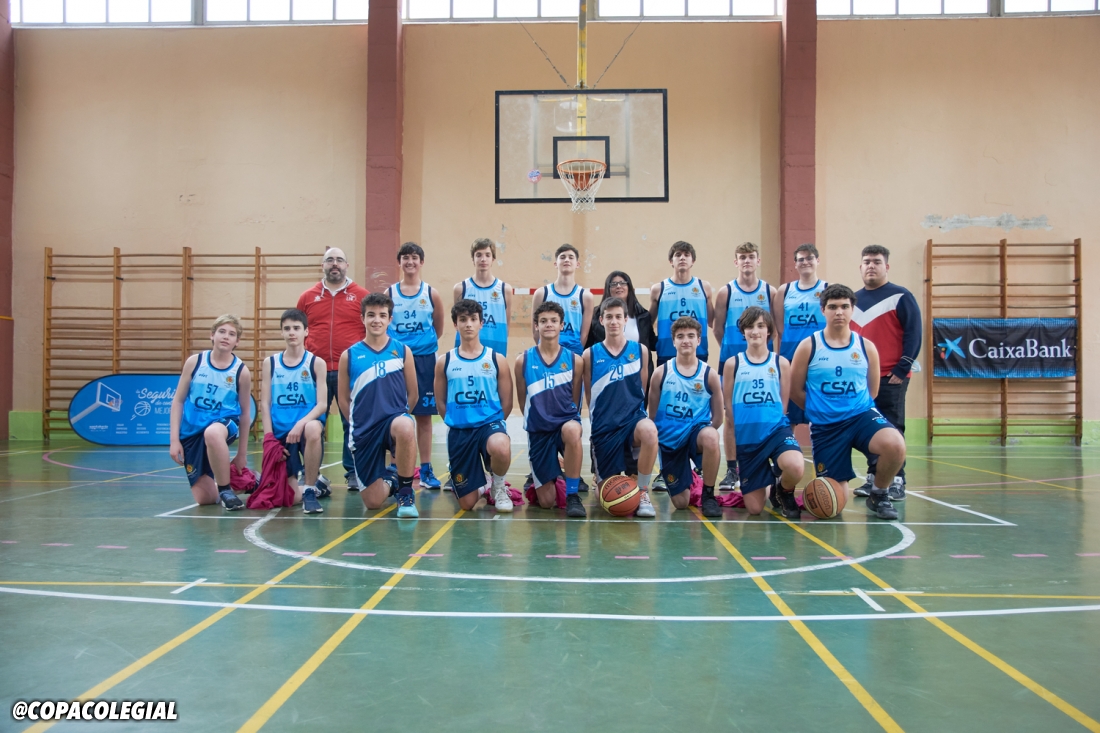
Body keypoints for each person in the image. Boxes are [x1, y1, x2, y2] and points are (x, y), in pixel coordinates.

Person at [789, 283, 907, 521]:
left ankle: (879, 493)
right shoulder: (809, 346)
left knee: (895, 444)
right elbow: (794, 390)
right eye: (833, 307)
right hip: (827, 427)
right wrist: (817, 412)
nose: (839, 312)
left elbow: (872, 390)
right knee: (834, 504)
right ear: (823, 310)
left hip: (860, 417)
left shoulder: (866, 347)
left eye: (844, 306)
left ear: (852, 309)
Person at [338, 293, 420, 518]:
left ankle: (406, 493)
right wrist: (356, 422)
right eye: (371, 315)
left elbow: (413, 394)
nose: (377, 320)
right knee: (373, 502)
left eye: (382, 315)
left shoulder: (402, 351)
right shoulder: (349, 355)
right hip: (365, 429)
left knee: (405, 426)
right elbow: (343, 399)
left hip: (392, 421)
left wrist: (401, 418)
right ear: (362, 318)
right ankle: (393, 479)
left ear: (390, 319)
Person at [851, 245, 921, 501]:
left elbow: (914, 333)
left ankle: (897, 481)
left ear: (886, 266)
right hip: (862, 379)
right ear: (860, 267)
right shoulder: (852, 301)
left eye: (877, 261)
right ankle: (874, 477)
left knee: (892, 429)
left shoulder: (901, 296)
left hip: (892, 376)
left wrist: (902, 368)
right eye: (867, 261)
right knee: (870, 428)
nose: (871, 265)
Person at [296, 247, 369, 490]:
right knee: (313, 423)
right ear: (323, 266)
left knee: (352, 421)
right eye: (329, 260)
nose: (334, 264)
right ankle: (311, 473)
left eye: (339, 260)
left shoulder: (361, 296)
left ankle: (353, 472)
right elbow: (299, 329)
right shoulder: (307, 297)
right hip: (315, 371)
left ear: (347, 265)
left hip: (350, 370)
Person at [721, 307, 802, 519]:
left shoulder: (781, 363)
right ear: (743, 331)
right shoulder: (732, 364)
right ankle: (768, 481)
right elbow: (729, 407)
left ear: (769, 331)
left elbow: (783, 405)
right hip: (748, 440)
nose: (755, 331)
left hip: (775, 432)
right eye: (749, 327)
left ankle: (783, 490)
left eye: (760, 326)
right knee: (755, 509)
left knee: (795, 466)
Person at [434, 299, 514, 512]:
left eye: (473, 319)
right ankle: (484, 484)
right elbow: (440, 401)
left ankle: (498, 486)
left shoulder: (496, 359)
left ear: (481, 323)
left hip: (489, 425)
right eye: (463, 319)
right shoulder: (445, 361)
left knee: (500, 445)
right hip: (460, 431)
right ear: (455, 324)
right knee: (467, 504)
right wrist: (456, 420)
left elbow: (507, 402)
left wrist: (495, 426)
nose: (468, 324)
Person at [584, 297, 658, 518]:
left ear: (626, 319)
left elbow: (641, 389)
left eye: (618, 317)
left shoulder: (641, 351)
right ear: (601, 320)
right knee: (606, 497)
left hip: (632, 423)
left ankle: (643, 491)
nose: (614, 321)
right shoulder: (590, 355)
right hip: (605, 430)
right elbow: (589, 396)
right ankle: (608, 478)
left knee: (649, 430)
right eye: (609, 317)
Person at [169, 315, 251, 511]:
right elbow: (178, 401)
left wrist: (242, 454)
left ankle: (225, 489)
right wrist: (174, 441)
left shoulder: (240, 371)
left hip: (225, 424)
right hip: (192, 431)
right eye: (222, 331)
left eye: (231, 334)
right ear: (212, 335)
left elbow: (245, 414)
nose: (226, 336)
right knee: (204, 499)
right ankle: (250, 482)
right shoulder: (195, 362)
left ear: (237, 341)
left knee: (212, 433)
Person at [714, 241, 777, 492]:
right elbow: (718, 329)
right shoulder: (725, 292)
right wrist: (734, 352)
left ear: (758, 261)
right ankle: (732, 469)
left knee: (764, 412)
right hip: (732, 363)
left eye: (751, 256)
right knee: (730, 415)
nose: (747, 261)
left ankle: (764, 464)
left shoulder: (770, 292)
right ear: (736, 262)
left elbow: (775, 329)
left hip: (762, 363)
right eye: (742, 257)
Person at [515, 302, 586, 518]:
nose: (549, 325)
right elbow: (522, 398)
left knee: (572, 430)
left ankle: (573, 494)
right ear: (536, 325)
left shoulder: (575, 360)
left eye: (554, 321)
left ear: (562, 325)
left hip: (564, 425)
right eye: (543, 321)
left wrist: (566, 418)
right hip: (539, 431)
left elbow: (575, 399)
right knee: (547, 502)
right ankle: (557, 472)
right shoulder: (522, 360)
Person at [648, 317, 724, 518]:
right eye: (680, 336)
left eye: (691, 336)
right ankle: (690, 476)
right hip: (670, 443)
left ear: (699, 340)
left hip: (695, 435)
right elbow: (652, 417)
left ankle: (708, 495)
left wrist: (706, 437)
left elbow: (718, 418)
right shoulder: (661, 374)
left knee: (711, 436)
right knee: (681, 503)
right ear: (673, 341)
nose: (686, 340)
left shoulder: (709, 374)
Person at [387, 242, 446, 490]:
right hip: (396, 360)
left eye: (414, 257)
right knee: (394, 414)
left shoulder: (431, 293)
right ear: (399, 262)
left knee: (423, 417)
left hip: (424, 360)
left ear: (421, 262)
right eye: (405, 257)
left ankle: (426, 468)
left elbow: (438, 328)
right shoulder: (390, 293)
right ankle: (394, 467)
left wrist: (421, 345)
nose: (410, 262)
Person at [260, 309, 329, 514]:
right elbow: (265, 403)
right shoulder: (270, 363)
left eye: (296, 328)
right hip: (282, 433)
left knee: (313, 428)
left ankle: (310, 489)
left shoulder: (316, 363)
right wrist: (269, 438)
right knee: (288, 498)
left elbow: (322, 405)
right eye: (287, 328)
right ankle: (320, 485)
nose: (292, 332)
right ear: (281, 332)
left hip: (305, 429)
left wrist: (300, 423)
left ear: (306, 331)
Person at [773, 243, 827, 428]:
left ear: (817, 260)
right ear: (795, 264)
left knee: (819, 412)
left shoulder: (827, 289)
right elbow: (780, 327)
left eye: (810, 258)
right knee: (789, 416)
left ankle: (821, 447)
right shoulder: (785, 290)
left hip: (819, 358)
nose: (805, 262)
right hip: (790, 356)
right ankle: (788, 447)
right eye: (801, 259)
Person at [649, 241, 713, 367]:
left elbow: (711, 321)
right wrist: (655, 342)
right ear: (671, 261)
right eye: (678, 255)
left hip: (698, 352)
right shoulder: (659, 289)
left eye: (686, 255)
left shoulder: (704, 287)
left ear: (693, 261)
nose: (682, 258)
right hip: (667, 353)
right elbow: (647, 323)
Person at [584, 270, 657, 374]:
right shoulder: (595, 315)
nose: (618, 286)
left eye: (622, 283)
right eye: (614, 284)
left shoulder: (643, 315)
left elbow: (652, 343)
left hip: (637, 373)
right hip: (605, 372)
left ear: (629, 287)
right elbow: (588, 345)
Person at [530, 243, 594, 357]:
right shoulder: (541, 293)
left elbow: (584, 335)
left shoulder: (586, 296)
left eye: (571, 257)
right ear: (556, 264)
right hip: (547, 351)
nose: (567, 260)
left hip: (573, 352)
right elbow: (535, 331)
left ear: (577, 264)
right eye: (563, 257)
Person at [453, 237, 512, 356]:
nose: (483, 259)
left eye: (487, 255)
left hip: (495, 351)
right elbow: (458, 320)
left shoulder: (504, 289)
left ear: (493, 259)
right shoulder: (461, 288)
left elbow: (506, 326)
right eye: (478, 255)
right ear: (473, 259)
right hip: (466, 352)